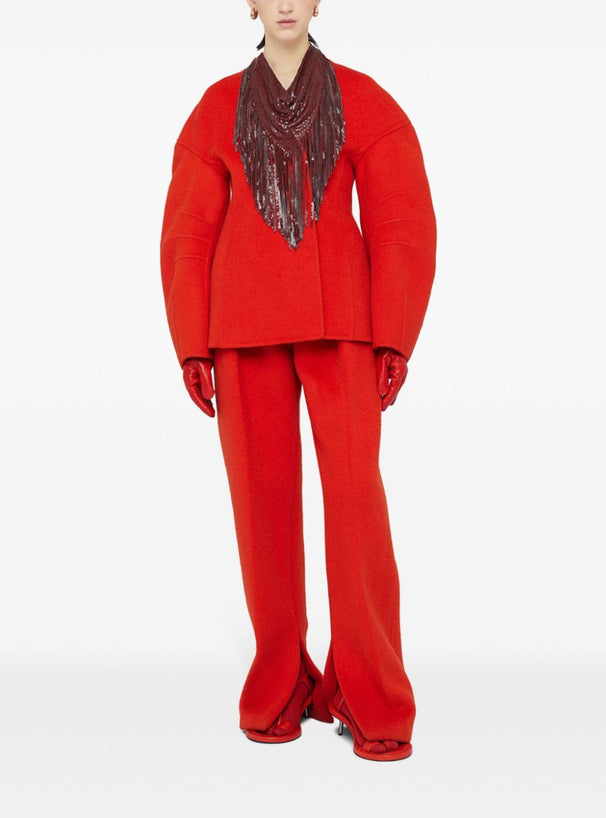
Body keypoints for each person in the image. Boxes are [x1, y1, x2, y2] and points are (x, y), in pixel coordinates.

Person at [160, 0, 437, 762]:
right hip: (240, 327)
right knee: (263, 511)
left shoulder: (365, 99)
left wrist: (394, 331)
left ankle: (372, 694)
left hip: (342, 321)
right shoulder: (216, 108)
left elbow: (401, 217)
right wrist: (191, 341)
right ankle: (279, 682)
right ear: (250, 4)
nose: (285, 2)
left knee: (355, 507)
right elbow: (188, 231)